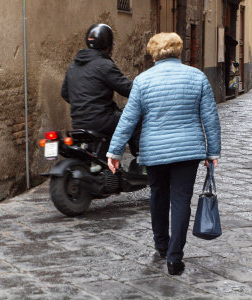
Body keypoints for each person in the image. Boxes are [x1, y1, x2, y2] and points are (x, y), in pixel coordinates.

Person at [106, 32, 221, 275]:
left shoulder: (143, 81)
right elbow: (210, 117)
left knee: (158, 195)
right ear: (179, 51)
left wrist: (114, 151)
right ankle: (174, 257)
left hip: (155, 150)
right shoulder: (197, 77)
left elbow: (128, 119)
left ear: (153, 52)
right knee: (181, 200)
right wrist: (213, 152)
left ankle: (161, 245)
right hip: (188, 151)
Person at [61, 23, 140, 156]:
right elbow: (127, 89)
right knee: (135, 119)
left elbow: (65, 93)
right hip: (102, 121)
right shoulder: (104, 65)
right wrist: (145, 89)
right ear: (108, 45)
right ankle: (140, 159)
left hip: (78, 122)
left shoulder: (73, 66)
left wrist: (83, 105)